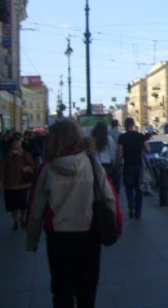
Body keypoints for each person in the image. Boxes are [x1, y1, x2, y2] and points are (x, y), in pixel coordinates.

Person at [26, 118, 122, 308]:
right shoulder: (91, 163)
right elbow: (109, 197)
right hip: (89, 233)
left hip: (58, 236)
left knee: (62, 290)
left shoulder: (46, 168)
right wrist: (116, 227)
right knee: (87, 288)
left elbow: (36, 208)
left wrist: (32, 240)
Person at [0, 132, 35, 230]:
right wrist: (0, 181)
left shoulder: (25, 154)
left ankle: (23, 218)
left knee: (23, 204)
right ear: (11, 144)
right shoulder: (6, 156)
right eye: (15, 142)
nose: (17, 144)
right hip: (9, 184)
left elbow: (32, 165)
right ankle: (15, 221)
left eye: (18, 142)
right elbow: (2, 169)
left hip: (23, 183)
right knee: (12, 206)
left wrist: (27, 168)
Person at [116, 117, 149, 220]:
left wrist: (118, 165)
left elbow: (120, 154)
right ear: (133, 125)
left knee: (128, 188)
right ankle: (138, 213)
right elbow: (148, 149)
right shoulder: (140, 136)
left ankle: (131, 202)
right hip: (139, 166)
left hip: (128, 166)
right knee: (139, 190)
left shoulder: (122, 137)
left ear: (125, 126)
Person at [108, 120, 122, 193]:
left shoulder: (108, 133)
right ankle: (117, 190)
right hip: (118, 155)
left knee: (110, 175)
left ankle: (111, 189)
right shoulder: (120, 134)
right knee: (117, 173)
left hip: (109, 156)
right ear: (117, 125)